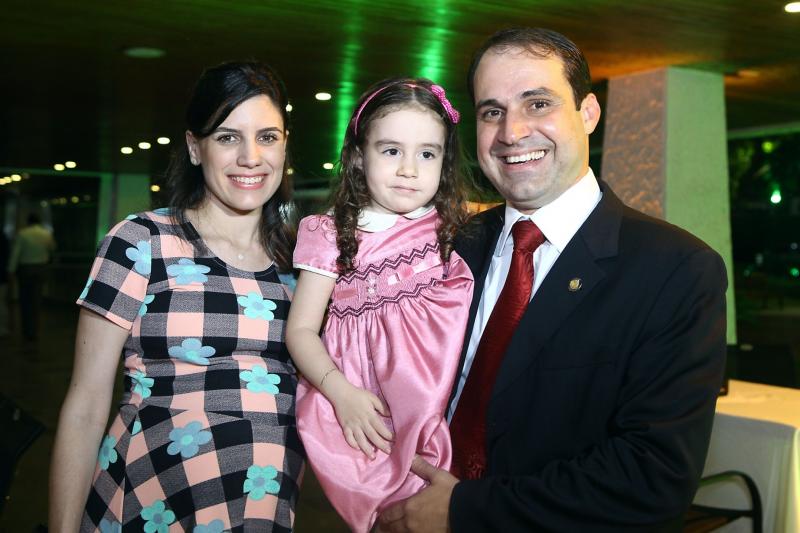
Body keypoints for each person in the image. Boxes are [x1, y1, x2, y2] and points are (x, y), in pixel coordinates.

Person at [379, 27, 727, 532]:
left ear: (588, 113)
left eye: (538, 103)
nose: (512, 132)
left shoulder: (675, 270)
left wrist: (463, 510)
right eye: (492, 112)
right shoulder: (444, 249)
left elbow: (652, 478)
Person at [49, 61, 303, 532]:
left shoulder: (302, 266)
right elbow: (85, 405)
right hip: (147, 505)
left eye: (267, 137)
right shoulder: (141, 242)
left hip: (259, 509)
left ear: (284, 146)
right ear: (194, 147)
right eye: (228, 137)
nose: (250, 157)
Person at [285, 77, 474, 532]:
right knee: (392, 520)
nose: (409, 169)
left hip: (444, 404)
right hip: (369, 409)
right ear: (357, 156)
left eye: (427, 154)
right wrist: (342, 394)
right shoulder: (331, 233)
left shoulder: (453, 229)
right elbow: (300, 330)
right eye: (391, 151)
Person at [8, 212, 56, 339]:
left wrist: (11, 270)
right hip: (41, 268)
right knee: (36, 300)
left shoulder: (22, 234)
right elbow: (52, 249)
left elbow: (15, 253)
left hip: (25, 269)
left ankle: (26, 330)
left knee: (25, 300)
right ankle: (35, 330)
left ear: (28, 222)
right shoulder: (46, 234)